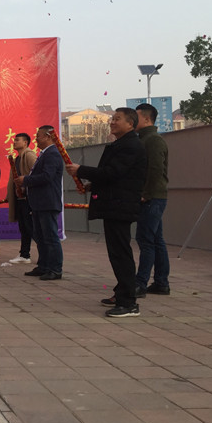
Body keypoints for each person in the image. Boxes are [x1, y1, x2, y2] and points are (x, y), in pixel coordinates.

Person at [67, 108, 147, 318]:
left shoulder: (131, 145)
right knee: (117, 253)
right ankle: (121, 293)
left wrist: (81, 170)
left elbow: (113, 173)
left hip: (121, 205)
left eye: (117, 119)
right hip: (114, 205)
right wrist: (91, 185)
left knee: (121, 254)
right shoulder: (120, 144)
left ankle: (128, 302)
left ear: (130, 124)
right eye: (112, 118)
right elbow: (112, 177)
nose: (112, 122)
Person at [15, 127, 64, 280]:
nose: (36, 139)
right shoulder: (43, 154)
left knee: (50, 237)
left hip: (47, 202)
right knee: (41, 237)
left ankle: (55, 269)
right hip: (38, 202)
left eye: (39, 136)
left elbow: (47, 176)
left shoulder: (52, 154)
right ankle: (43, 266)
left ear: (48, 136)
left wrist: (26, 180)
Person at [134, 103, 171, 296]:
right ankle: (161, 282)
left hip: (152, 197)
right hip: (153, 196)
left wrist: (145, 194)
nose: (133, 121)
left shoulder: (153, 140)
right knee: (156, 240)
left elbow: (156, 169)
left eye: (136, 117)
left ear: (147, 119)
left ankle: (140, 283)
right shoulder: (143, 139)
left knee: (145, 240)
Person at [6, 133, 37, 264]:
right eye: (14, 140)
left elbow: (37, 175)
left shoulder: (29, 155)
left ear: (25, 142)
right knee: (24, 228)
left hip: (28, 199)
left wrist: (26, 186)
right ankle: (24, 254)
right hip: (20, 198)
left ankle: (46, 255)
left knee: (31, 228)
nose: (14, 142)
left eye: (17, 140)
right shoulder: (17, 158)